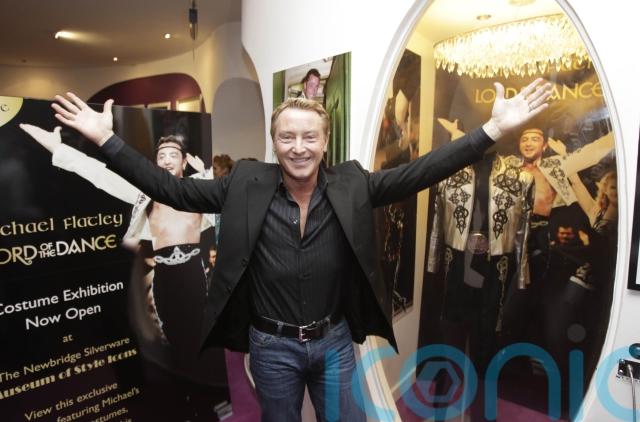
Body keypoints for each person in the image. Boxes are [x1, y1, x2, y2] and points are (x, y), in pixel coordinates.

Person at [24, 78, 551, 422]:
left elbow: (422, 171)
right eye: (287, 137)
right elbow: (171, 190)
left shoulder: (352, 184)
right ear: (274, 142)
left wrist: (490, 130)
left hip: (335, 343)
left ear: (325, 142)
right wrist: (106, 141)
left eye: (309, 137)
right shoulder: (245, 184)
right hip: (271, 347)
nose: (298, 147)